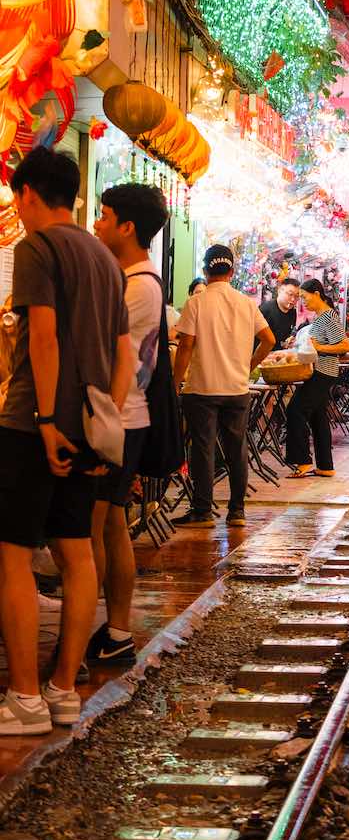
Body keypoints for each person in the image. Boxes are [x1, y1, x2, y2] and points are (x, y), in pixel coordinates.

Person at [0, 149, 134, 735]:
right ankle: (62, 691)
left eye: (16, 199)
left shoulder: (37, 248)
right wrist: (102, 413)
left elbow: (46, 339)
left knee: (13, 556)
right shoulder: (106, 261)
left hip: (34, 424)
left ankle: (23, 698)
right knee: (77, 555)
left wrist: (50, 418)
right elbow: (124, 358)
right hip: (91, 424)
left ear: (29, 193)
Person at [88, 183, 168, 667]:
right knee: (112, 526)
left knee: (88, 533)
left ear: (127, 227)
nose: (96, 224)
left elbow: (98, 351)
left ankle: (79, 638)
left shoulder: (136, 285)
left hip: (116, 420)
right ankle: (115, 630)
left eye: (103, 216)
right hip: (125, 419)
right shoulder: (135, 279)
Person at [172, 245, 274, 529]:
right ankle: (237, 511)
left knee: (203, 448)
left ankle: (203, 510)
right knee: (236, 448)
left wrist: (174, 382)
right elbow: (269, 339)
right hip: (236, 388)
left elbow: (185, 347)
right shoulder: (245, 303)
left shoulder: (196, 303)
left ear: (205, 271)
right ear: (232, 271)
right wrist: (248, 365)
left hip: (201, 388)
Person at [286, 280, 347, 477]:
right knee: (318, 417)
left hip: (322, 373)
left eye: (304, 297)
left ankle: (302, 461)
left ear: (317, 294)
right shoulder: (320, 317)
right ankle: (325, 466)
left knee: (295, 410)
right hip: (318, 371)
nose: (302, 302)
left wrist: (318, 348)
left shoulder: (328, 316)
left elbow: (345, 346)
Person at [261, 279, 300, 350]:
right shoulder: (265, 310)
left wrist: (289, 340)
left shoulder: (292, 311)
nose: (293, 299)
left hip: (280, 355)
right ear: (279, 291)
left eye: (297, 296)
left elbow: (288, 334)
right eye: (290, 294)